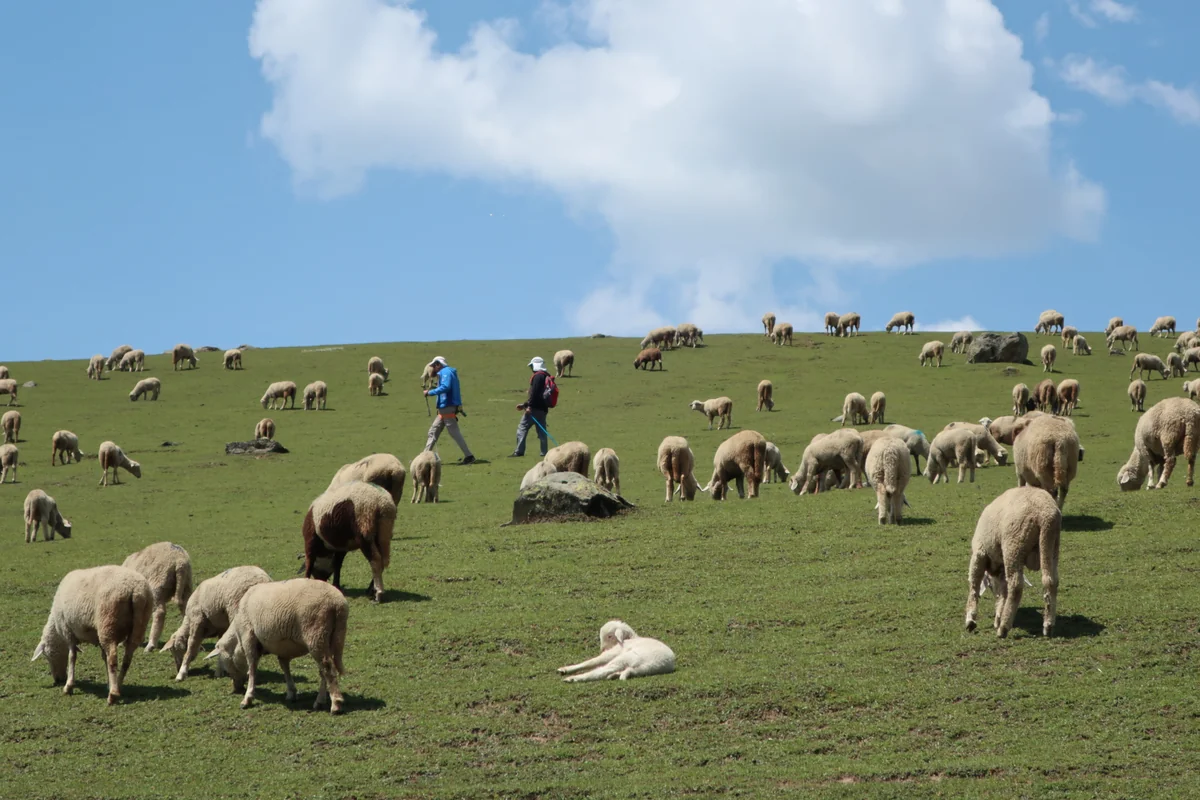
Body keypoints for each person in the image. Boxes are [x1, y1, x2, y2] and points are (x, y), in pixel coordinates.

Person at [422, 356, 475, 464]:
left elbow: (446, 387)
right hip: (445, 408)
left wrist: (430, 392)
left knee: (454, 433)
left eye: (434, 366)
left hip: (447, 407)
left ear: (438, 364)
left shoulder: (445, 372)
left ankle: (469, 456)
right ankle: (423, 458)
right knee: (433, 432)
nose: (433, 368)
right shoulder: (449, 372)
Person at [511, 356, 551, 457]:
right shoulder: (546, 376)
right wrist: (524, 404)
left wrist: (528, 406)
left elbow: (535, 394)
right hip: (543, 409)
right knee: (542, 431)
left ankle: (519, 451)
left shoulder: (538, 377)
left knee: (522, 427)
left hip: (534, 409)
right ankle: (544, 452)